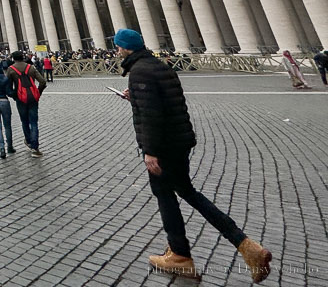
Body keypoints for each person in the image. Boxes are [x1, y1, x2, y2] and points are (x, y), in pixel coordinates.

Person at [114, 28, 272, 282]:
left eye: (118, 46)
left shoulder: (139, 71)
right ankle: (245, 245)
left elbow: (153, 116)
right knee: (187, 192)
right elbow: (165, 102)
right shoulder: (160, 66)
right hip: (179, 142)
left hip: (163, 147)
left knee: (165, 196)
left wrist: (150, 151)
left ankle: (180, 255)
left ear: (125, 47)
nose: (117, 50)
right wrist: (136, 98)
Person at [5, 51, 45, 157]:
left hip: (21, 99)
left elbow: (8, 88)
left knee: (24, 121)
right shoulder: (31, 67)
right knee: (34, 122)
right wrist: (38, 93)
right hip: (33, 98)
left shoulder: (11, 69)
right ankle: (35, 148)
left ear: (13, 58)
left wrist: (14, 95)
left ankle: (29, 142)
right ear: (23, 57)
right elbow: (42, 82)